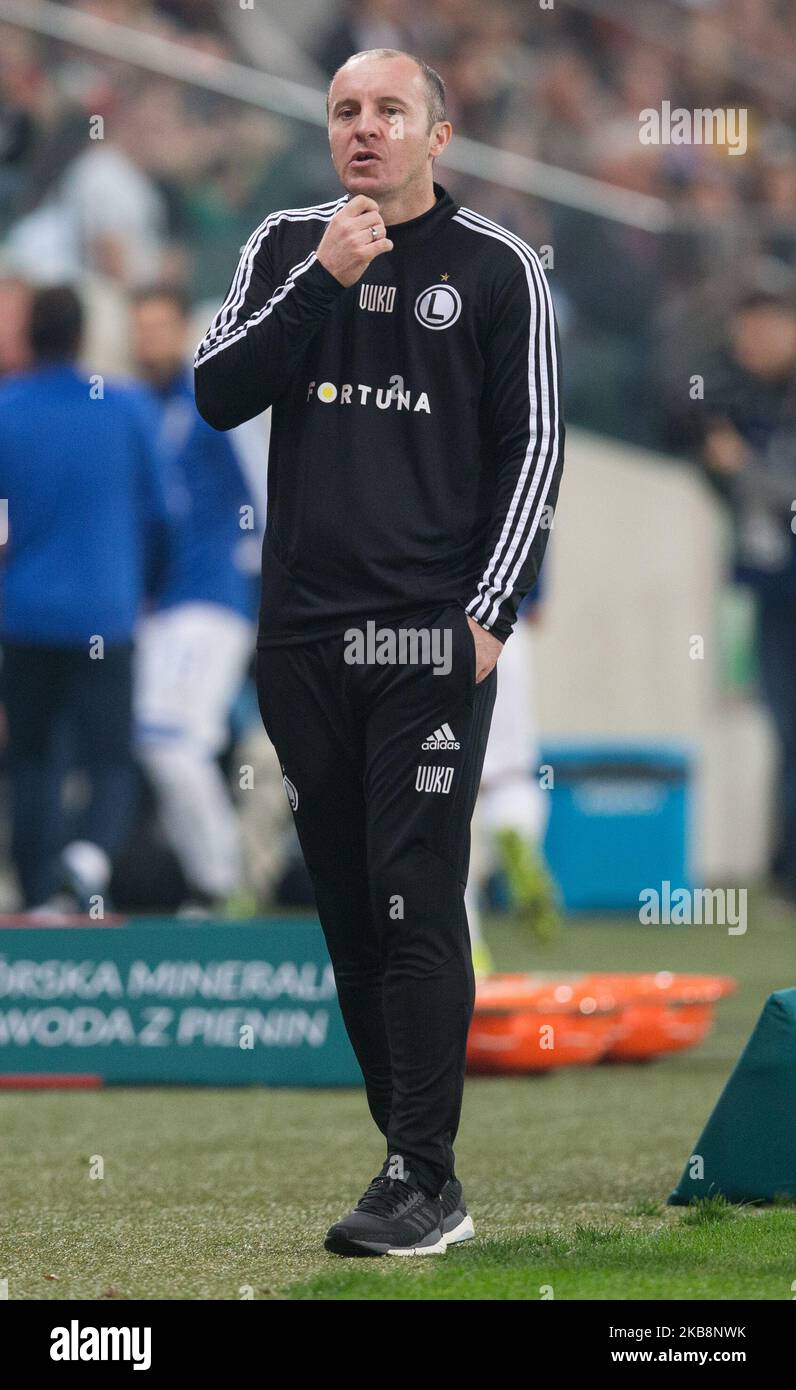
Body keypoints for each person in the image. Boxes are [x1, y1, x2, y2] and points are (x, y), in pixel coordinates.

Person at [194, 47, 564, 1256]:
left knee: (413, 889)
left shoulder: (500, 267)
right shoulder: (285, 242)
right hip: (299, 631)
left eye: (389, 111)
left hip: (425, 633)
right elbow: (215, 390)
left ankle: (422, 1173)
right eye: (346, 110)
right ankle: (410, 1163)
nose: (364, 128)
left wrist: (489, 614)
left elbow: (533, 450)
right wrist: (320, 283)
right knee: (350, 907)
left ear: (436, 135)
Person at [0, 285, 170, 912]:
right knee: (111, 762)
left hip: (26, 619)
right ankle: (86, 867)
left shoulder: (7, 408)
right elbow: (162, 513)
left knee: (33, 761)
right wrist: (143, 586)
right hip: (106, 613)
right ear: (81, 336)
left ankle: (40, 891)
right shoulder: (126, 410)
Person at [131, 285, 257, 913]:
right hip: (161, 609)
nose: (146, 339)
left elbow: (252, 503)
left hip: (209, 603)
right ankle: (209, 886)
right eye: (139, 327)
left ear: (181, 331)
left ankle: (221, 880)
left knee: (171, 742)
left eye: (158, 326)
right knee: (164, 746)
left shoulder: (207, 401)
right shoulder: (136, 409)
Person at [699, 293, 796, 905]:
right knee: (783, 730)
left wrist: (743, 469)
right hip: (769, 592)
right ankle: (786, 868)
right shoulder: (743, 394)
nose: (748, 345)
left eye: (762, 331)